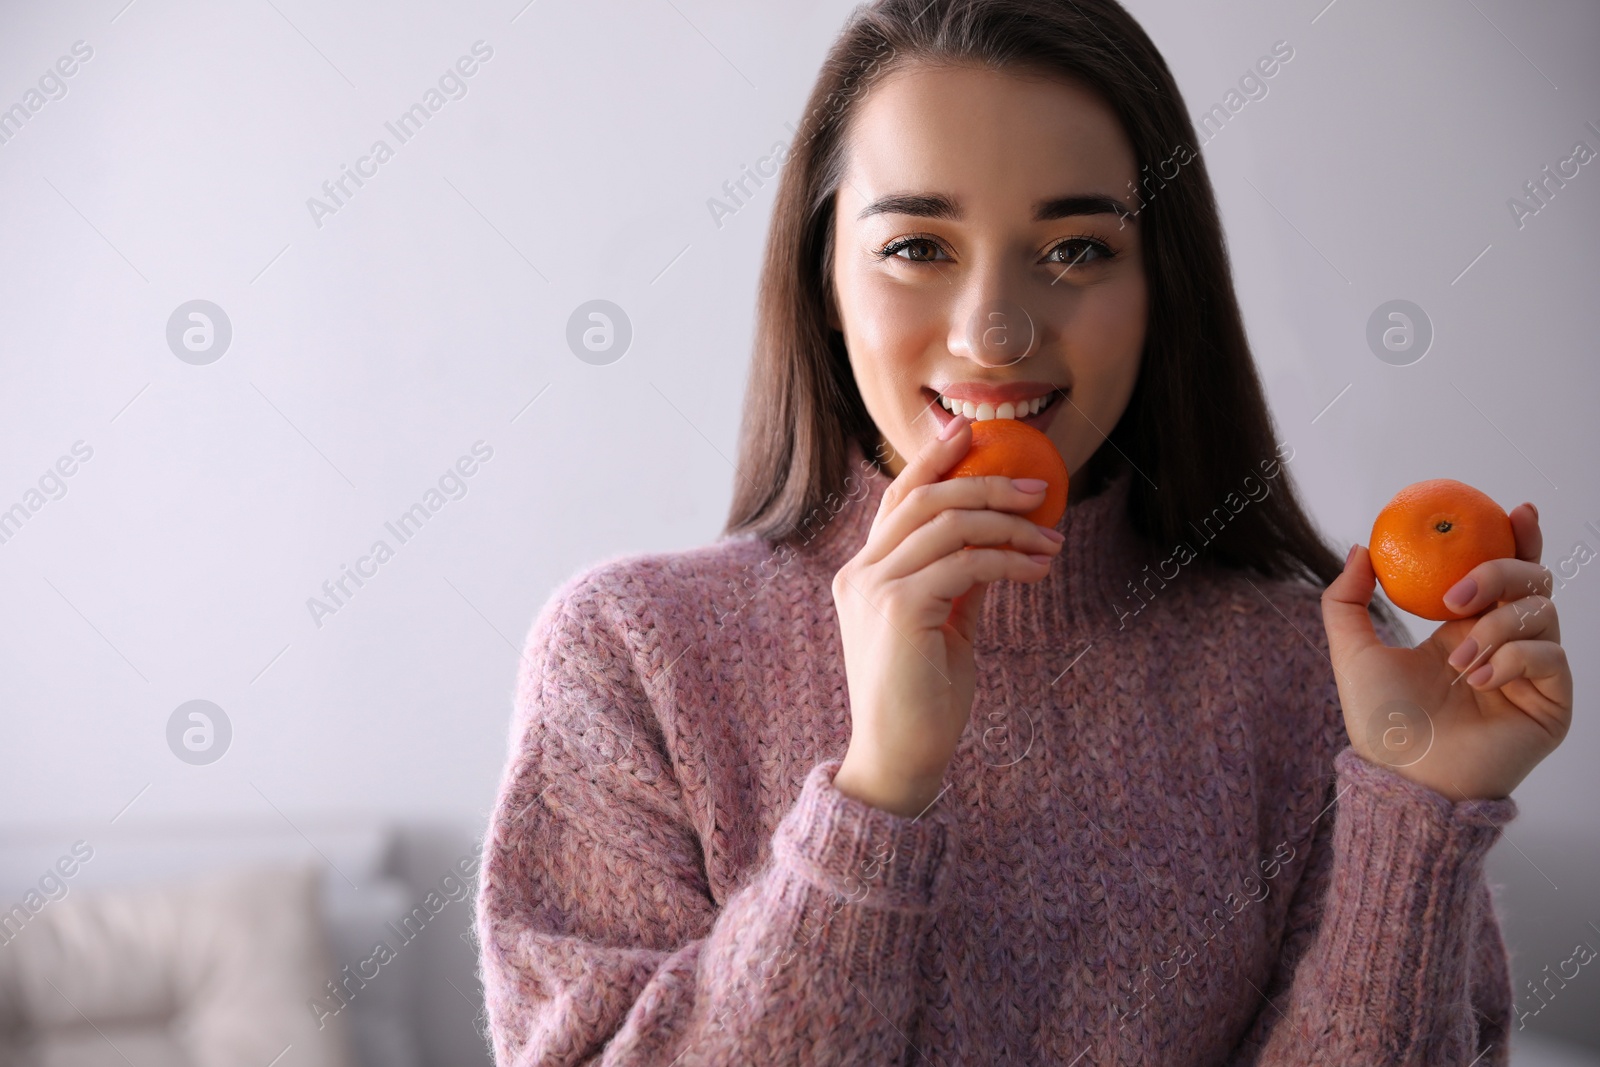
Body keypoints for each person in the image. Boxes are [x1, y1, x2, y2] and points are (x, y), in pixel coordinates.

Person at [472, 0, 1574, 1062]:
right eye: (916, 246)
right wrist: (877, 787)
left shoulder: (1311, 678)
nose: (994, 332)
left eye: (1076, 250)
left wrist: (1422, 808)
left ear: (1159, 289)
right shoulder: (632, 654)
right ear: (826, 283)